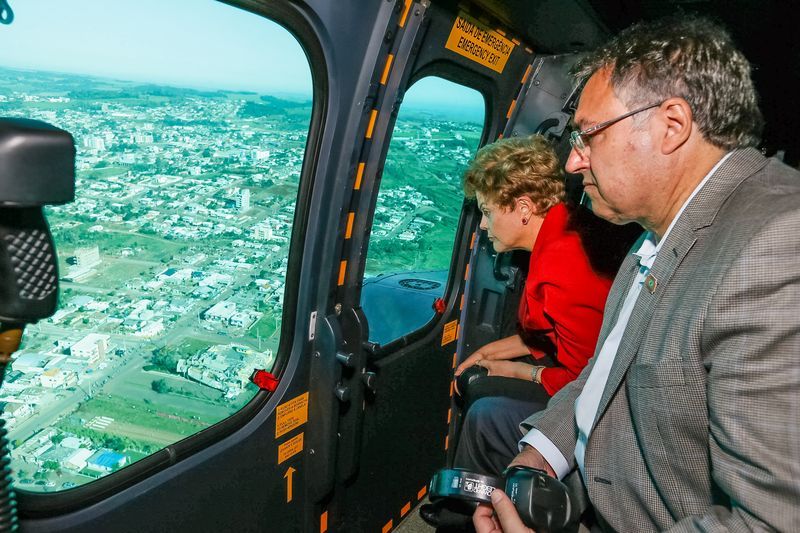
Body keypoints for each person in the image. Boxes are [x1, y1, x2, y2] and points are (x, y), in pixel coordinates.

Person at [475, 15, 800, 532]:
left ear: (671, 126)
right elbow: (601, 376)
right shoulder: (654, 232)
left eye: (588, 135)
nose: (573, 163)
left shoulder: (776, 247)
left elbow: (771, 522)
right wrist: (538, 455)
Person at [421, 134, 634, 528]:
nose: (483, 225)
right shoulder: (562, 230)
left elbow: (586, 382)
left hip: (603, 405)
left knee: (485, 409)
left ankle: (469, 516)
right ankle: (464, 506)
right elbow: (548, 331)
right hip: (582, 373)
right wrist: (488, 355)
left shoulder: (562, 267)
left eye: (486, 211)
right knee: (479, 379)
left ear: (522, 208)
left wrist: (519, 370)